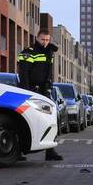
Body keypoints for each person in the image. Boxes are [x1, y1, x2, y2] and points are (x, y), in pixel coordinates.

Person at [17, 30, 62, 161]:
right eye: (43, 39)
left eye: (47, 40)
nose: (45, 42)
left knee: (50, 119)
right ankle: (17, 151)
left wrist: (48, 87)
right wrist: (27, 92)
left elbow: (48, 73)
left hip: (44, 91)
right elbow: (23, 74)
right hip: (30, 90)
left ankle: (50, 151)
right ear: (37, 38)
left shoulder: (49, 53)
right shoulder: (28, 52)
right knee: (24, 120)